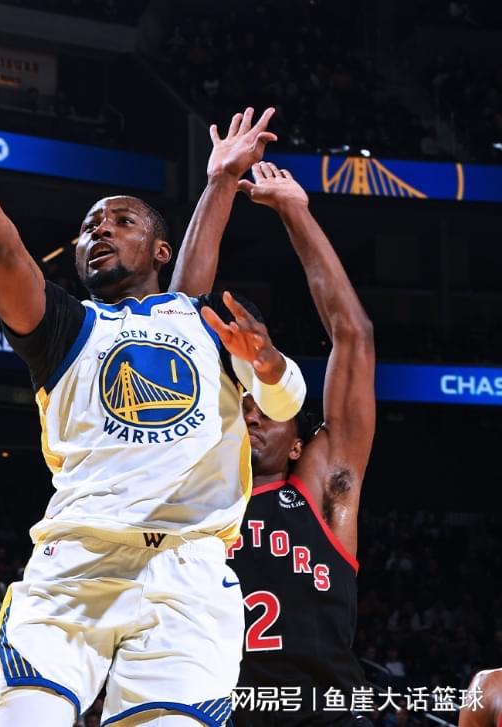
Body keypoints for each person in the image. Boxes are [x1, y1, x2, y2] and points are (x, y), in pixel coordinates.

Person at [0, 18, 305, 726]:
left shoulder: (207, 320)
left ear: (160, 250)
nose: (98, 231)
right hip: (73, 569)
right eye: (88, 227)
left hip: (188, 577)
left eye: (119, 221)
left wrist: (267, 360)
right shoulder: (64, 327)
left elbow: (286, 399)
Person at [177, 162, 374, 725]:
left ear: (298, 446)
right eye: (242, 405)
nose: (251, 414)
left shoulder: (322, 490)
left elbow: (353, 336)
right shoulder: (193, 497)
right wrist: (217, 186)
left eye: (267, 409)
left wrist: (295, 211)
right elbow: (166, 335)